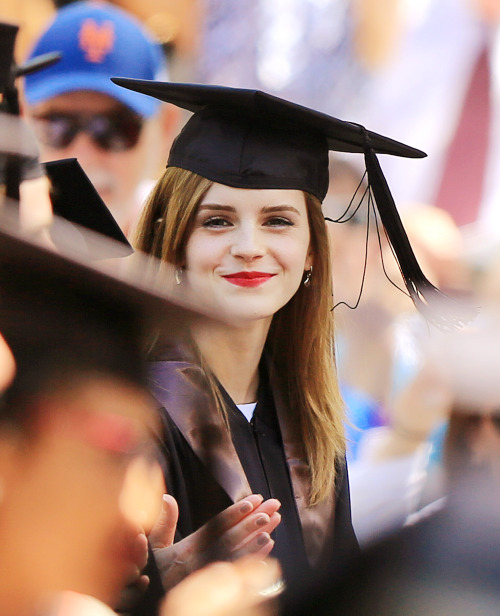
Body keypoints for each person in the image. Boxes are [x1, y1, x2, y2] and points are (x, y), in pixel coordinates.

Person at [110, 77, 440, 612]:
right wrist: (150, 585)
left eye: (278, 221)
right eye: (216, 221)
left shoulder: (313, 426)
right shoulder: (131, 409)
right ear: (176, 242)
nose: (248, 247)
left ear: (312, 250)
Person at [22, 1, 179, 235]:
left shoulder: (188, 259)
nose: (83, 158)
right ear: (23, 120)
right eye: (56, 125)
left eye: (116, 130)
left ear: (165, 129)